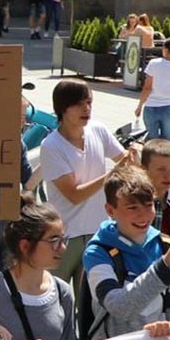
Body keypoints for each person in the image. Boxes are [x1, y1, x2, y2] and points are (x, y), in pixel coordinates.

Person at [82, 171, 170, 340]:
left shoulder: (164, 244)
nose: (143, 215)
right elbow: (119, 307)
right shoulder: (98, 252)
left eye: (149, 205)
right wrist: (165, 266)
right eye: (132, 208)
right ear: (110, 210)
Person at [37, 80, 130, 279]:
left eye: (89, 102)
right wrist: (113, 174)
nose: (86, 108)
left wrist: (135, 157)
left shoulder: (99, 130)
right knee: (59, 300)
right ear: (63, 108)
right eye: (79, 104)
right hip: (65, 237)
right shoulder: (51, 146)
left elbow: (125, 162)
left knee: (89, 303)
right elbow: (74, 194)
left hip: (98, 233)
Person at [0, 202, 77, 340]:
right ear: (25, 246)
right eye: (54, 241)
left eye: (63, 239)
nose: (62, 248)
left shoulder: (63, 292)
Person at [135, 37, 170, 141]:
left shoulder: (154, 63)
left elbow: (147, 88)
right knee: (167, 142)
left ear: (165, 49)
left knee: (151, 141)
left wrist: (139, 106)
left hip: (151, 106)